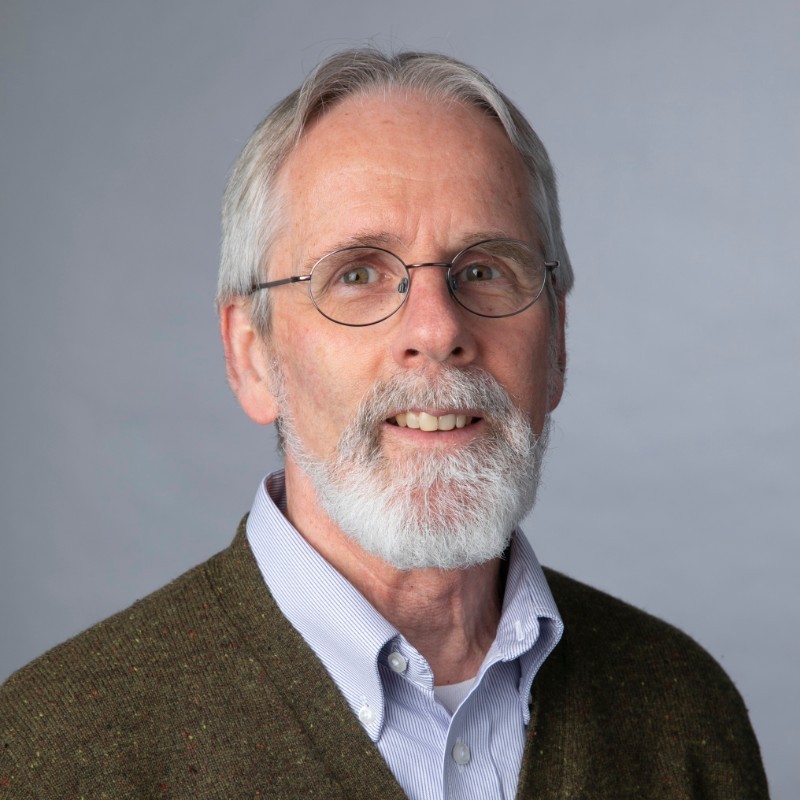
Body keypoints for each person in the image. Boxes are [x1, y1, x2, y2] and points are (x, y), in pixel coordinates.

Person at [0, 48, 768, 799]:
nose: (436, 330)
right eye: (359, 274)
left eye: (484, 269)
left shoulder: (684, 712)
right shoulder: (55, 753)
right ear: (252, 356)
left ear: (557, 343)